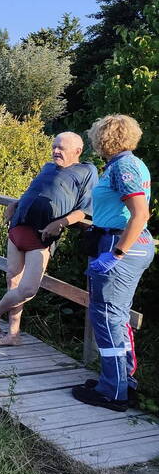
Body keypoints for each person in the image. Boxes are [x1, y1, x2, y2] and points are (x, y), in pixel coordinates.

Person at [71, 115, 154, 412]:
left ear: (103, 138)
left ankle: (113, 391)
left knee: (106, 317)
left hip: (120, 245)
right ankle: (120, 381)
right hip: (123, 242)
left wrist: (115, 253)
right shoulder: (131, 164)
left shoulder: (123, 168)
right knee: (115, 316)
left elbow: (140, 214)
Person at [0, 132, 97, 346]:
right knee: (13, 281)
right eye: (54, 146)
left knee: (27, 289)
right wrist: (15, 203)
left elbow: (84, 210)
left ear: (77, 151)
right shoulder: (48, 167)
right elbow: (35, 191)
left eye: (61, 148)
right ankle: (14, 334)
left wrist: (61, 222)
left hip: (42, 236)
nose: (55, 151)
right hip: (18, 227)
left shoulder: (86, 171)